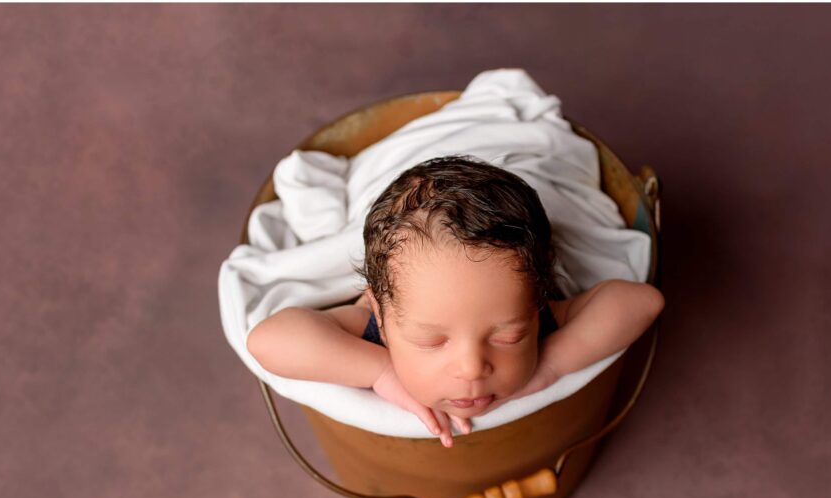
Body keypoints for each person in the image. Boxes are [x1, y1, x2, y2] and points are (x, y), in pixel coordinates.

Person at [246, 155, 664, 448]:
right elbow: (268, 340)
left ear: (536, 304)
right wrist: (379, 371)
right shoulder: (373, 328)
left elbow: (640, 301)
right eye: (431, 341)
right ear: (380, 313)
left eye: (508, 336)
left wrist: (553, 362)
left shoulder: (538, 316)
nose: (471, 368)